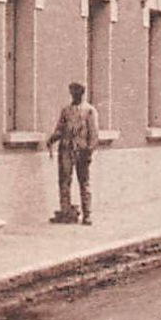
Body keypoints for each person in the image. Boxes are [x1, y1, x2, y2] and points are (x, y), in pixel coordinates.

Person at [46, 81, 100, 225]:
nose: (74, 95)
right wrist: (52, 139)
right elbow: (60, 128)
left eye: (77, 92)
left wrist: (89, 151)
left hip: (82, 151)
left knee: (84, 182)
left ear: (82, 93)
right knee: (64, 181)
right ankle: (65, 212)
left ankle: (87, 214)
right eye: (72, 92)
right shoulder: (66, 111)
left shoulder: (89, 111)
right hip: (65, 149)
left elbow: (94, 134)